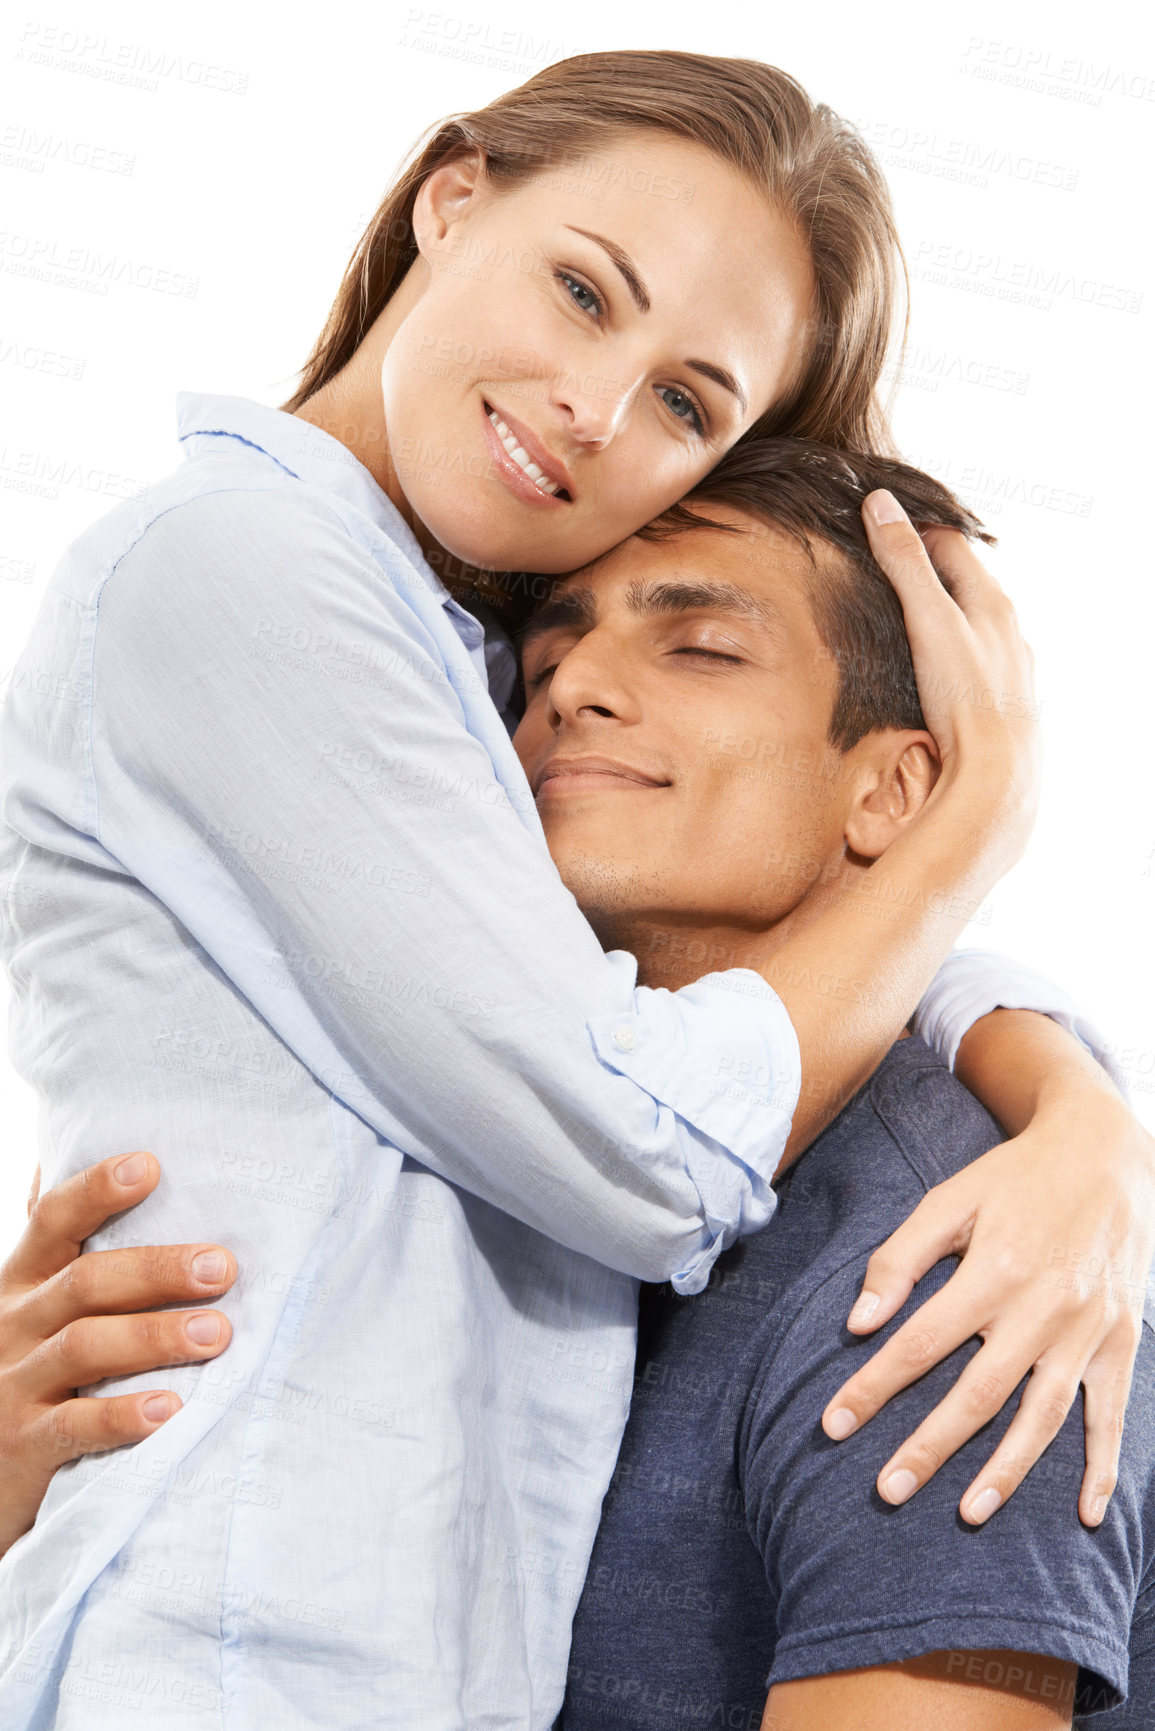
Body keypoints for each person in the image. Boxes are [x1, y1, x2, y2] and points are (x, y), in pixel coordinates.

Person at [0, 49, 1150, 1731]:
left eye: (689, 402)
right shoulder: (244, 571)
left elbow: (670, 990)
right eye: (582, 288)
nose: (597, 410)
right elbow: (642, 1138)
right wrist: (974, 829)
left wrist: (1073, 1108)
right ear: (450, 200)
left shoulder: (448, 666)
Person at [500, 439, 1155, 1730]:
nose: (574, 685)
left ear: (895, 786)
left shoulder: (958, 1267)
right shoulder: (517, 1159)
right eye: (540, 662)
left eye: (698, 646)